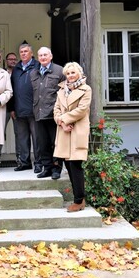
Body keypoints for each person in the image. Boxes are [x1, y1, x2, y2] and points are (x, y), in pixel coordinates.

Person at [53, 62, 92, 212]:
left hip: (77, 129)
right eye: (68, 73)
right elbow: (56, 108)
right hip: (64, 130)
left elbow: (82, 110)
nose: (70, 76)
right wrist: (61, 122)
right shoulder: (62, 89)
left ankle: (79, 200)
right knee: (68, 166)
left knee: (75, 166)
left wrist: (65, 119)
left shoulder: (86, 89)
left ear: (79, 73)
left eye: (73, 73)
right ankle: (79, 199)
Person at [30, 46, 66, 180]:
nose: (43, 57)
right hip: (38, 114)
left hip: (54, 115)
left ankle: (56, 169)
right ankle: (47, 168)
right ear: (38, 58)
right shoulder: (33, 73)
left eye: (45, 55)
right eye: (41, 55)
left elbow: (65, 93)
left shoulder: (60, 71)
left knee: (56, 143)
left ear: (51, 56)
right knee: (42, 143)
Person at [8, 43, 40, 172]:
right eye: (21, 52)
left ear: (31, 53)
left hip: (34, 110)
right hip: (19, 110)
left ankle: (38, 163)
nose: (23, 53)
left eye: (26, 51)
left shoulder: (38, 66)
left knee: (37, 139)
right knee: (22, 138)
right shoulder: (16, 69)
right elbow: (11, 90)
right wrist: (12, 108)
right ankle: (25, 162)